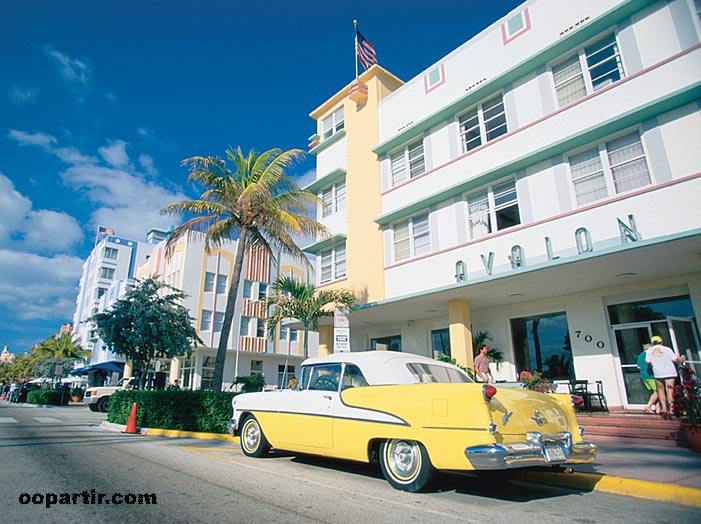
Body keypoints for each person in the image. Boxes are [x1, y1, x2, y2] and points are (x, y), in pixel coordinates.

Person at [645, 335, 685, 417]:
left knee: (660, 390)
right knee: (669, 390)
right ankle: (671, 409)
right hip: (669, 372)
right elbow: (675, 359)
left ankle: (664, 408)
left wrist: (655, 365)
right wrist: (681, 359)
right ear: (661, 341)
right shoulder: (667, 349)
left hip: (658, 373)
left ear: (652, 343)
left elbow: (648, 361)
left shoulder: (649, 351)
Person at [637, 343, 658, 414]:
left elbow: (638, 366)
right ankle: (648, 406)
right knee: (657, 392)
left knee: (654, 392)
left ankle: (658, 409)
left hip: (644, 376)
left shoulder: (640, 355)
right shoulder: (648, 355)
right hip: (650, 376)